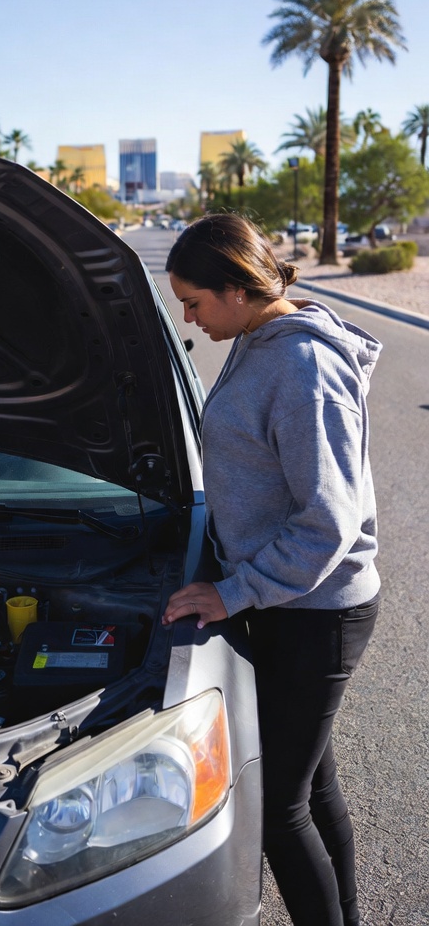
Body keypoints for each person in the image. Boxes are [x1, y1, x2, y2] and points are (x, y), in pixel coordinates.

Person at [161, 212, 380, 926]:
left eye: (193, 302)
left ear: (236, 288)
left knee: (276, 809)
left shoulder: (300, 363)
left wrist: (234, 592)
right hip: (290, 602)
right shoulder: (259, 337)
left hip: (318, 610)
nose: (188, 318)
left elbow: (328, 521)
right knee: (313, 789)